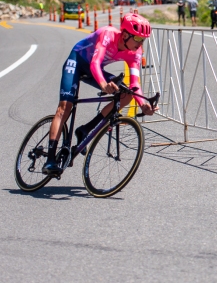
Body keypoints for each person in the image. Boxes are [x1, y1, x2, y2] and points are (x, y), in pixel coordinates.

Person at [42, 13, 157, 176]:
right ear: (125, 35)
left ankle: (85, 130)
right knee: (65, 108)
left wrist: (143, 105)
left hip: (93, 69)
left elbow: (135, 84)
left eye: (143, 40)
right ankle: (50, 159)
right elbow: (95, 63)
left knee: (127, 94)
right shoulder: (107, 34)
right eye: (137, 39)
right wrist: (104, 85)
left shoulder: (135, 52)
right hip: (76, 62)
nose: (140, 44)